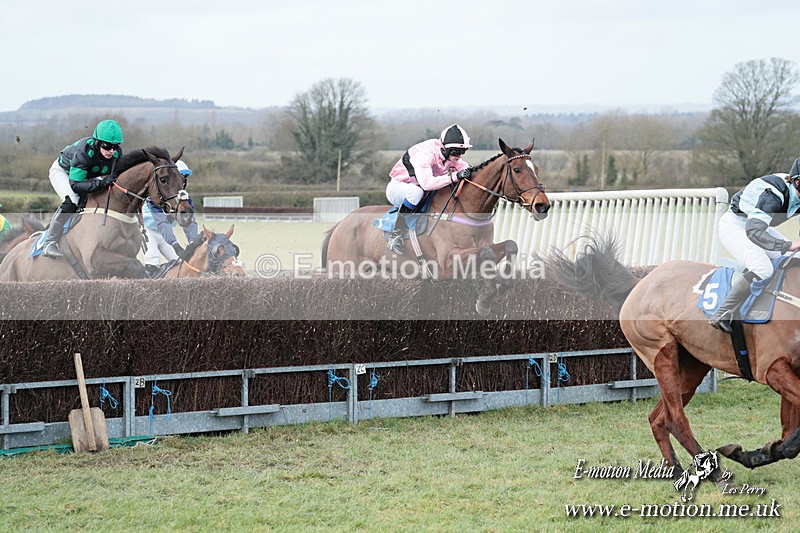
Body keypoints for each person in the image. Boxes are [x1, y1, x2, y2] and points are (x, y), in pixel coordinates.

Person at [709, 156, 800, 332]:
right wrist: (785, 246)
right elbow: (754, 232)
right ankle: (722, 313)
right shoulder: (774, 195)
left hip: (758, 225)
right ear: (797, 181)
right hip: (736, 225)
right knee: (763, 268)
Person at [384, 124, 473, 254]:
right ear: (444, 148)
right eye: (456, 152)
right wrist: (454, 176)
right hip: (399, 188)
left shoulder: (450, 156)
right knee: (416, 192)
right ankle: (395, 234)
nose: (460, 155)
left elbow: (467, 169)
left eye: (463, 151)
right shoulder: (425, 154)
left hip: (423, 191)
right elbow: (427, 184)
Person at [42, 119, 124, 257]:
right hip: (64, 172)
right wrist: (102, 183)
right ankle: (49, 242)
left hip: (87, 175)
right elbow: (75, 185)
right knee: (71, 202)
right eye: (107, 146)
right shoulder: (83, 152)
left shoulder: (116, 153)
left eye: (115, 147)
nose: (111, 151)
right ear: (97, 142)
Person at [142, 159, 198, 277]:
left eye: (184, 178)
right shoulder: (156, 198)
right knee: (152, 261)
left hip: (165, 235)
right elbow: (162, 223)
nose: (181, 183)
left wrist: (193, 242)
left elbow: (190, 222)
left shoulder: (186, 198)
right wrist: (175, 244)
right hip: (148, 231)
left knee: (181, 264)